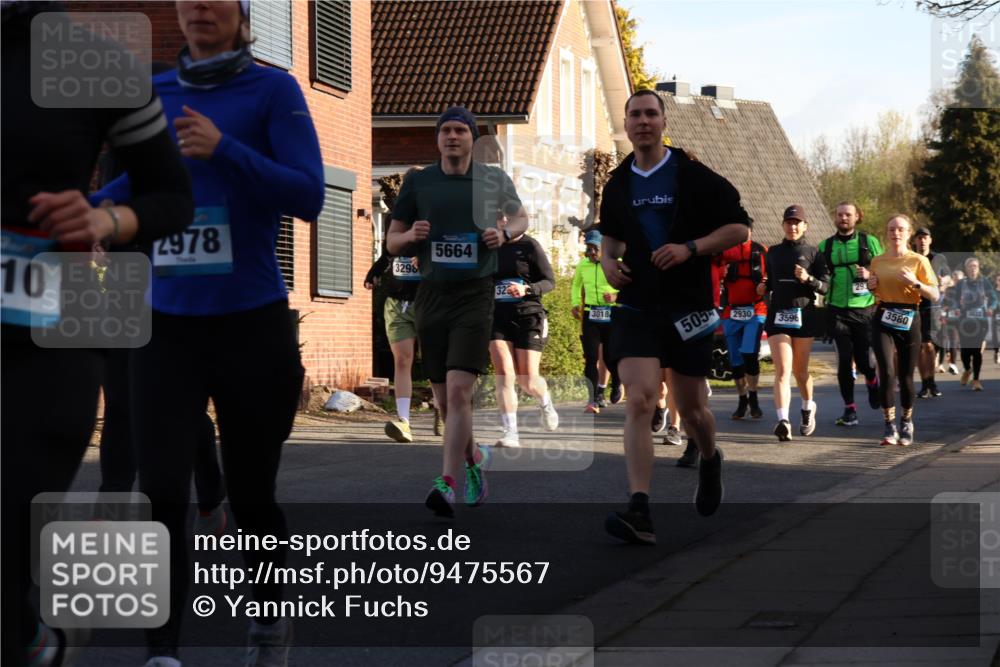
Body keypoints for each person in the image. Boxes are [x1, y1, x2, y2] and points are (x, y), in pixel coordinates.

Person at [92, 2, 324, 664]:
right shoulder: (155, 92)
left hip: (251, 324)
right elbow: (140, 180)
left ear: (241, 12)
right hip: (165, 328)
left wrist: (226, 149)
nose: (198, 6)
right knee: (162, 491)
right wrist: (91, 210)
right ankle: (162, 652)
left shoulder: (273, 90)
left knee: (252, 496)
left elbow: (309, 195)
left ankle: (269, 623)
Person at [2, 2, 194, 664]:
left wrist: (106, 221)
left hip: (51, 336)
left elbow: (173, 196)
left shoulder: (94, 65)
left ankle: (31, 639)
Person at [598, 89, 751, 545]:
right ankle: (639, 509)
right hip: (637, 305)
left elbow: (739, 229)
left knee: (692, 410)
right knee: (640, 400)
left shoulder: (693, 175)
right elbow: (612, 239)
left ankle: (710, 457)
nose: (643, 121)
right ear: (626, 125)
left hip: (688, 306)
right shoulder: (617, 184)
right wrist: (607, 262)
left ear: (664, 122)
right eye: (635, 115)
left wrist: (690, 248)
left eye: (651, 113)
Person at [387, 105, 529, 518]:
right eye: (446, 130)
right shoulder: (419, 182)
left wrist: (504, 232)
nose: (452, 136)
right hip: (432, 296)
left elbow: (521, 217)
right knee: (445, 403)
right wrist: (410, 236)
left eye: (460, 131)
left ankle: (446, 483)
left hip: (474, 295)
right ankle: (473, 460)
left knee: (458, 392)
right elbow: (392, 240)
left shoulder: (492, 179)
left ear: (471, 138)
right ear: (437, 138)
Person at [759, 205, 829, 442]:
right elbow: (770, 282)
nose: (793, 227)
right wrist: (763, 287)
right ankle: (783, 421)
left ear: (805, 226)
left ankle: (808, 407)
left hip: (804, 316)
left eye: (797, 223)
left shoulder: (814, 253)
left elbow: (825, 287)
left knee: (800, 372)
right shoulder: (773, 252)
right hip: (778, 317)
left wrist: (808, 279)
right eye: (789, 222)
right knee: (782, 371)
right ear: (783, 225)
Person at [868, 215, 939, 446]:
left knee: (906, 375)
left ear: (909, 233)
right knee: (887, 372)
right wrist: (870, 286)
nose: (895, 233)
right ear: (887, 233)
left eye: (900, 229)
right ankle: (889, 424)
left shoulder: (919, 260)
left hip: (910, 316)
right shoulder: (878, 261)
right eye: (891, 229)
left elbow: (935, 294)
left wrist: (915, 283)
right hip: (884, 315)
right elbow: (873, 291)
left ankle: (906, 421)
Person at [365, 167, 424, 443]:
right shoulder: (395, 218)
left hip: (429, 300)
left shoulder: (437, 216)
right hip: (398, 300)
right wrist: (375, 270)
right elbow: (389, 252)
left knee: (435, 362)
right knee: (402, 359)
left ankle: (445, 411)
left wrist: (427, 259)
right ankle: (404, 421)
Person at [490, 229, 559, 447]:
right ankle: (510, 432)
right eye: (498, 217)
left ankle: (545, 402)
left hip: (528, 315)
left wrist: (527, 289)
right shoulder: (490, 246)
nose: (502, 222)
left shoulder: (530, 246)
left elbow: (550, 281)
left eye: (507, 218)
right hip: (498, 317)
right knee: (504, 372)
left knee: (527, 380)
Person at [818, 202, 883, 427]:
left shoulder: (869, 242)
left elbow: (885, 269)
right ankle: (850, 409)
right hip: (837, 309)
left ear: (857, 217)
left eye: (848, 214)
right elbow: (819, 275)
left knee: (864, 362)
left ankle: (872, 381)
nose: (843, 218)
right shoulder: (826, 245)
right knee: (845, 360)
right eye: (839, 214)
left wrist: (870, 273)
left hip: (863, 309)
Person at [717, 230, 767, 420]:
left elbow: (771, 273)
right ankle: (742, 399)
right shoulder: (724, 251)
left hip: (756, 310)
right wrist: (721, 273)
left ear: (751, 231)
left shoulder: (761, 250)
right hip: (731, 312)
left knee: (749, 353)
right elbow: (714, 273)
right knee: (735, 360)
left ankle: (754, 398)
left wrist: (765, 284)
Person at [571, 230, 621, 412]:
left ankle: (617, 382)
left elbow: (630, 285)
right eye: (588, 249)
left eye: (595, 249)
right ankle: (592, 399)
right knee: (590, 358)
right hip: (590, 314)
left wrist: (616, 296)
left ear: (603, 248)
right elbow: (576, 285)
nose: (591, 253)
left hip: (612, 313)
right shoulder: (583, 265)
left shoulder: (616, 263)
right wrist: (575, 303)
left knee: (609, 356)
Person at [911, 227, 950, 398]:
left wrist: (944, 281)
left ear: (930, 240)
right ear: (915, 241)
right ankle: (924, 383)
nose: (922, 241)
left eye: (925, 237)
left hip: (932, 307)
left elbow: (948, 276)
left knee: (928, 345)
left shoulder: (938, 258)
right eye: (919, 238)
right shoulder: (910, 258)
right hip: (913, 306)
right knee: (919, 346)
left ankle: (931, 381)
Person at [954, 257, 997, 391]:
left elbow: (994, 298)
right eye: (970, 266)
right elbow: (954, 299)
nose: (972, 269)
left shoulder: (985, 282)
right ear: (966, 269)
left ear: (978, 268)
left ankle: (976, 380)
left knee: (977, 351)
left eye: (975, 266)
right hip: (964, 321)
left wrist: (991, 307)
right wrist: (956, 308)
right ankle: (967, 369)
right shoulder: (961, 283)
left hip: (981, 321)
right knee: (965, 351)